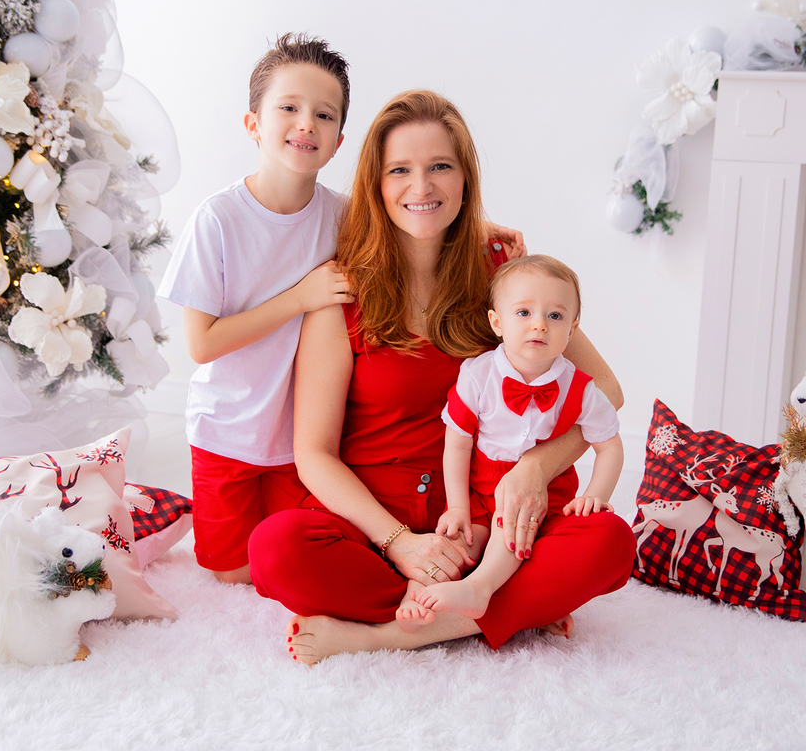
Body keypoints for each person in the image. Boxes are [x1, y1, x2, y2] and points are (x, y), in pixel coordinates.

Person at [248, 90, 636, 665]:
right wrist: (401, 545)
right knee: (276, 550)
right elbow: (314, 454)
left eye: (439, 168)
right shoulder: (339, 291)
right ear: (376, 185)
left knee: (609, 544)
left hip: (499, 521)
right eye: (399, 170)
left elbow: (605, 392)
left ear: (464, 179)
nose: (420, 187)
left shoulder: (505, 274)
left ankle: (388, 632)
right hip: (381, 525)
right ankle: (492, 608)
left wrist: (535, 468)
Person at [156, 33, 355, 584]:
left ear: (339, 140)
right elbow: (202, 343)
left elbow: (411, 215)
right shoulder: (218, 219)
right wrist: (299, 298)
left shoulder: (343, 216)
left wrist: (483, 229)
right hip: (227, 432)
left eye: (323, 114)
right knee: (230, 571)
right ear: (254, 124)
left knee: (294, 557)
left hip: (302, 442)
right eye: (289, 108)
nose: (306, 124)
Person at [406, 255, 625, 623]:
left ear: (572, 330)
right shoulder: (477, 375)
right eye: (524, 313)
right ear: (497, 322)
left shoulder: (580, 388)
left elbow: (610, 445)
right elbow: (457, 442)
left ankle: (481, 590)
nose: (539, 324)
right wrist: (458, 505)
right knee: (456, 544)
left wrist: (595, 496)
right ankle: (417, 596)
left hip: (545, 492)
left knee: (520, 532)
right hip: (481, 487)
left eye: (554, 316)